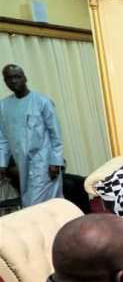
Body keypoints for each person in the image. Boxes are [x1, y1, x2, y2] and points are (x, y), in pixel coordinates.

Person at [0, 64, 63, 207]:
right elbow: (2, 138)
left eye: (17, 76)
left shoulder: (42, 101)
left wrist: (55, 161)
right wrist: (2, 164)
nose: (14, 81)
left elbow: (55, 134)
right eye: (9, 78)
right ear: (5, 82)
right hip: (21, 164)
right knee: (30, 202)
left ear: (25, 78)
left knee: (37, 204)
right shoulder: (3, 106)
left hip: (44, 162)